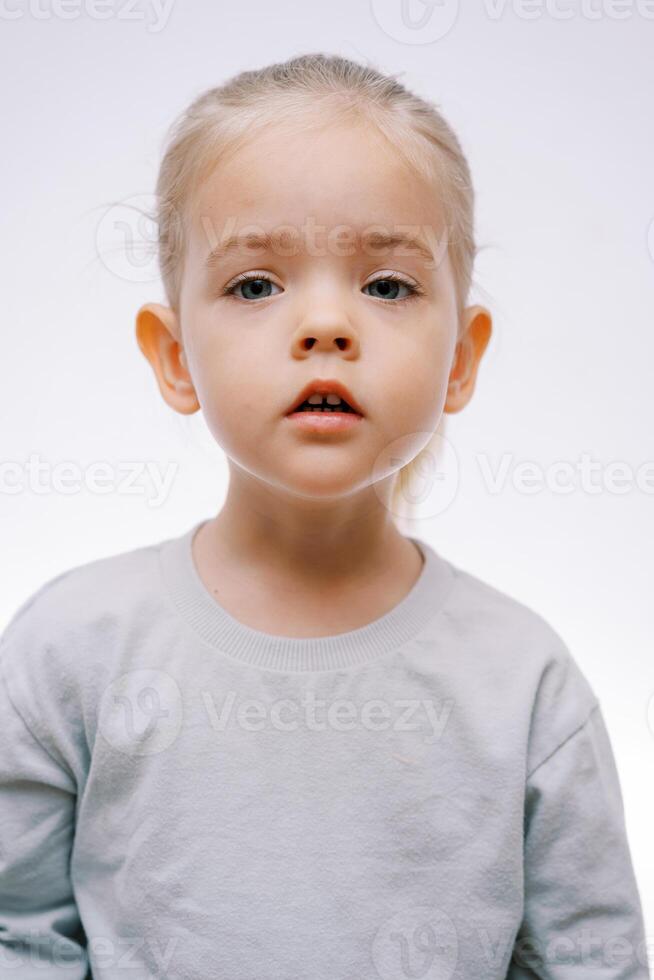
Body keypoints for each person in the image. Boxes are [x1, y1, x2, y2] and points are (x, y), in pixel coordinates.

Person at [0, 53, 649, 979]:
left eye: (387, 286)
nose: (326, 327)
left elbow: (595, 959)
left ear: (461, 360)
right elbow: (18, 936)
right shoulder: (70, 653)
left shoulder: (524, 687)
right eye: (255, 285)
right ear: (174, 356)